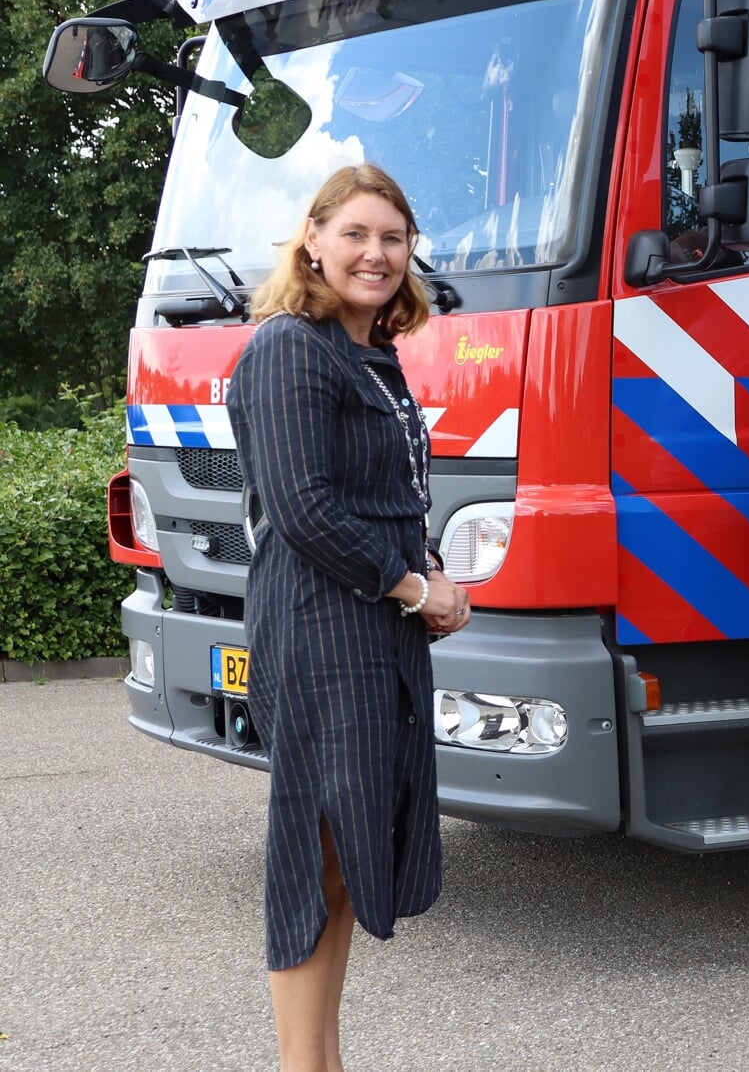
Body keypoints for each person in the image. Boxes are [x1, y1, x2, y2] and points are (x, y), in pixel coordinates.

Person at [229, 163, 472, 1070]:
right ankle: (302, 1064)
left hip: (373, 627)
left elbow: (389, 495)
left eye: (393, 238)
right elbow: (303, 508)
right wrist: (413, 588)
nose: (376, 253)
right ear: (314, 241)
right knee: (315, 849)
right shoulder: (291, 346)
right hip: (320, 632)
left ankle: (323, 1057)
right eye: (358, 235)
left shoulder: (370, 350)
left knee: (342, 858)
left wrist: (431, 570)